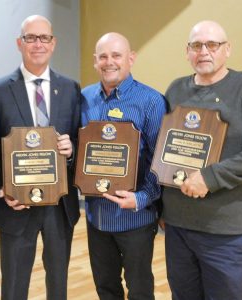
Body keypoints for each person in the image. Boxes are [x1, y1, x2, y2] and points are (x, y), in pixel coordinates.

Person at [162, 20, 242, 300]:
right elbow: (163, 152)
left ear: (227, 50)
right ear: (187, 51)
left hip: (226, 232)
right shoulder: (175, 90)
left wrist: (209, 178)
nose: (204, 51)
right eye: (196, 45)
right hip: (178, 227)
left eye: (212, 44)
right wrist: (161, 210)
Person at [0, 15, 81, 300]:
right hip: (16, 206)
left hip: (60, 206)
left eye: (44, 38)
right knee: (13, 285)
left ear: (53, 43)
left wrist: (72, 148)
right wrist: (3, 187)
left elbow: (79, 140)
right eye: (31, 37)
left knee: (58, 284)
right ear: (19, 43)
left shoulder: (71, 88)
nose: (38, 44)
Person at [81, 32, 167, 300]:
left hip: (136, 218)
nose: (110, 62)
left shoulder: (151, 101)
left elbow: (160, 160)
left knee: (140, 289)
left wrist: (142, 198)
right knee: (105, 288)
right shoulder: (84, 99)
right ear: (95, 61)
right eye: (103, 56)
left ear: (131, 58)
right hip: (97, 217)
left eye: (116, 55)